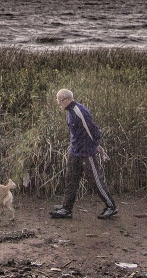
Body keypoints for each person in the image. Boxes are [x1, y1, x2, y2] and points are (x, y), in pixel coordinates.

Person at [49, 88, 118, 220]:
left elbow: (93, 130)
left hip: (87, 152)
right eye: (58, 102)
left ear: (68, 99)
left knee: (95, 180)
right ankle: (66, 208)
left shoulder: (79, 111)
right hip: (75, 151)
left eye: (60, 101)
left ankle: (111, 206)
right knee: (71, 179)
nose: (59, 104)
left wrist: (95, 145)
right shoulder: (70, 112)